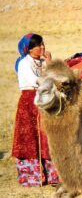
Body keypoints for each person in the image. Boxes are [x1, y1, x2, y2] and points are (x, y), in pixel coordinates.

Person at [12, 33, 59, 187]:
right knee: (30, 137)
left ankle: (51, 174)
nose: (42, 47)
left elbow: (55, 77)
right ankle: (33, 177)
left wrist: (49, 62)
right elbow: (36, 81)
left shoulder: (42, 62)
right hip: (29, 103)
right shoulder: (24, 63)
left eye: (43, 44)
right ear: (29, 49)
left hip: (44, 100)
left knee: (46, 136)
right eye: (38, 45)